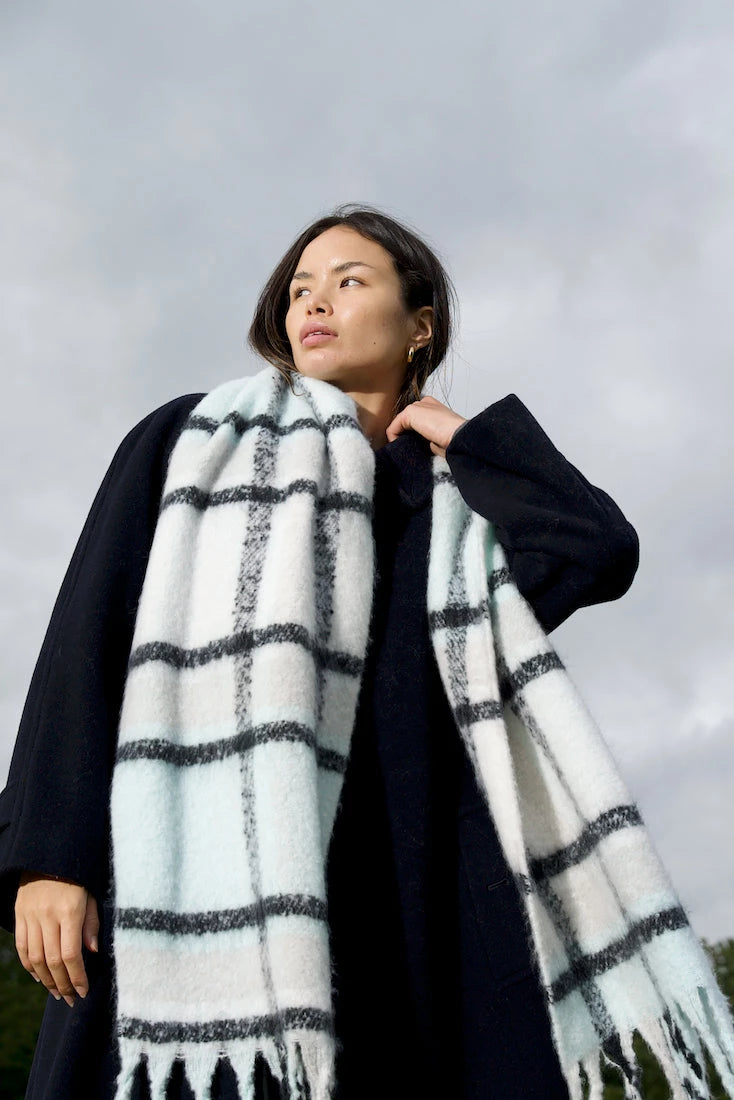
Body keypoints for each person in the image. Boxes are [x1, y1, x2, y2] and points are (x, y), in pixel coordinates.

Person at [0, 203, 639, 1099]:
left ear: (421, 327)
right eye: (302, 287)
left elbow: (594, 548)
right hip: (189, 895)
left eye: (349, 281)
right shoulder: (194, 446)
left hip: (399, 917)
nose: (316, 301)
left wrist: (469, 440)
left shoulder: (450, 516)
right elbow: (87, 640)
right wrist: (48, 860)